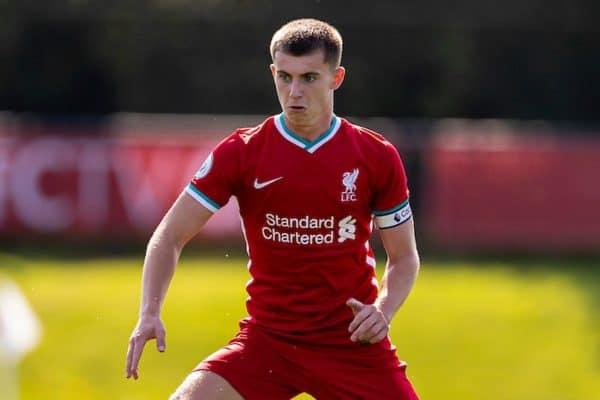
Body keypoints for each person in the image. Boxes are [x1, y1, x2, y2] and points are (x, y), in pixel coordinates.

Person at [126, 18, 420, 399]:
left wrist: (383, 310)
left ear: (337, 77)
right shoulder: (242, 152)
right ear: (273, 73)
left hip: (351, 343)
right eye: (284, 77)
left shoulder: (375, 156)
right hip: (269, 341)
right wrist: (149, 311)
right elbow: (169, 236)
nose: (294, 91)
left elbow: (404, 256)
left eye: (310, 78)